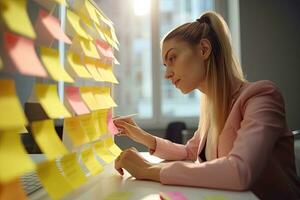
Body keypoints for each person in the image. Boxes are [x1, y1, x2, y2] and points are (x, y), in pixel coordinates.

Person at [113, 11, 300, 199]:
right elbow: (189, 152)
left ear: (203, 49)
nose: (167, 74)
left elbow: (239, 171)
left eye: (172, 58)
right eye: (165, 64)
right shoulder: (213, 107)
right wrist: (143, 137)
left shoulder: (261, 96)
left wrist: (149, 170)